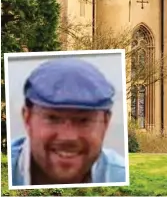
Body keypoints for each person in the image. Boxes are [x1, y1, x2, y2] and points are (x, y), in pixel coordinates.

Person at [11, 56, 126, 186]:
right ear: (27, 118)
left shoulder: (122, 177)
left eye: (83, 120)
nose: (68, 137)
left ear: (106, 122)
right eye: (52, 118)